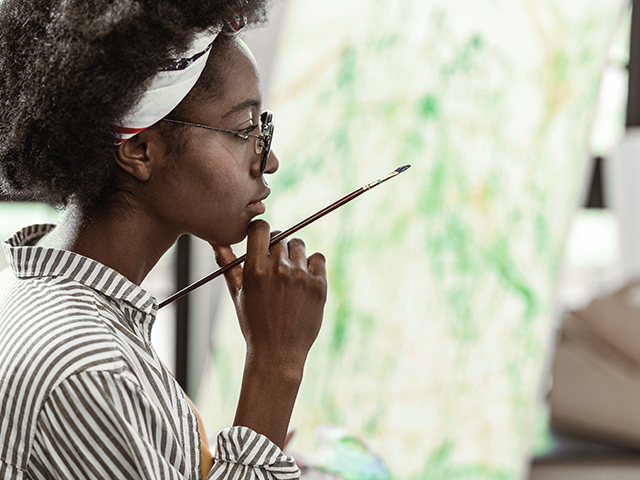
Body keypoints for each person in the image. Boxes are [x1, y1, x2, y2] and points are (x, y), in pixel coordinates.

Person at [0, 1, 327, 479]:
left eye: (263, 129)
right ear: (140, 150)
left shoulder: (66, 308)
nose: (269, 160)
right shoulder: (88, 369)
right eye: (244, 130)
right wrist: (277, 366)